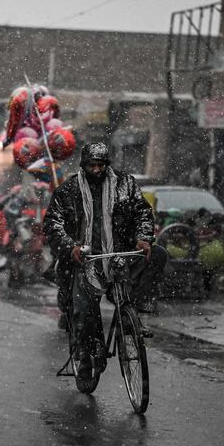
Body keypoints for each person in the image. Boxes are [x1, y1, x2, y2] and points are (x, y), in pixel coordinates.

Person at [43, 142, 167, 379]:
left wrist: (143, 238)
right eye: (93, 165)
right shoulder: (68, 190)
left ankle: (134, 308)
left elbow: (142, 212)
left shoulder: (125, 184)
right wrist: (71, 248)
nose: (97, 170)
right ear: (84, 165)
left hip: (120, 256)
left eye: (101, 165)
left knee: (158, 254)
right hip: (86, 260)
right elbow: (53, 225)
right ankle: (86, 357)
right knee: (83, 311)